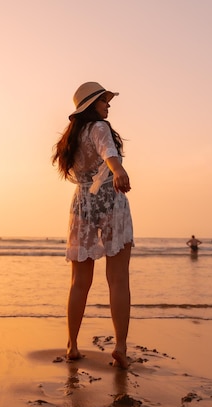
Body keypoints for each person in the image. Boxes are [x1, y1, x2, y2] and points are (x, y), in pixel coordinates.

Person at [52, 81, 134, 369]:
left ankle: (72, 345)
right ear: (92, 105)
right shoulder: (99, 128)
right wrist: (119, 169)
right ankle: (121, 347)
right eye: (104, 101)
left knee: (79, 282)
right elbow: (108, 153)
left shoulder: (71, 139)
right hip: (111, 200)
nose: (108, 105)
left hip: (83, 204)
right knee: (118, 278)